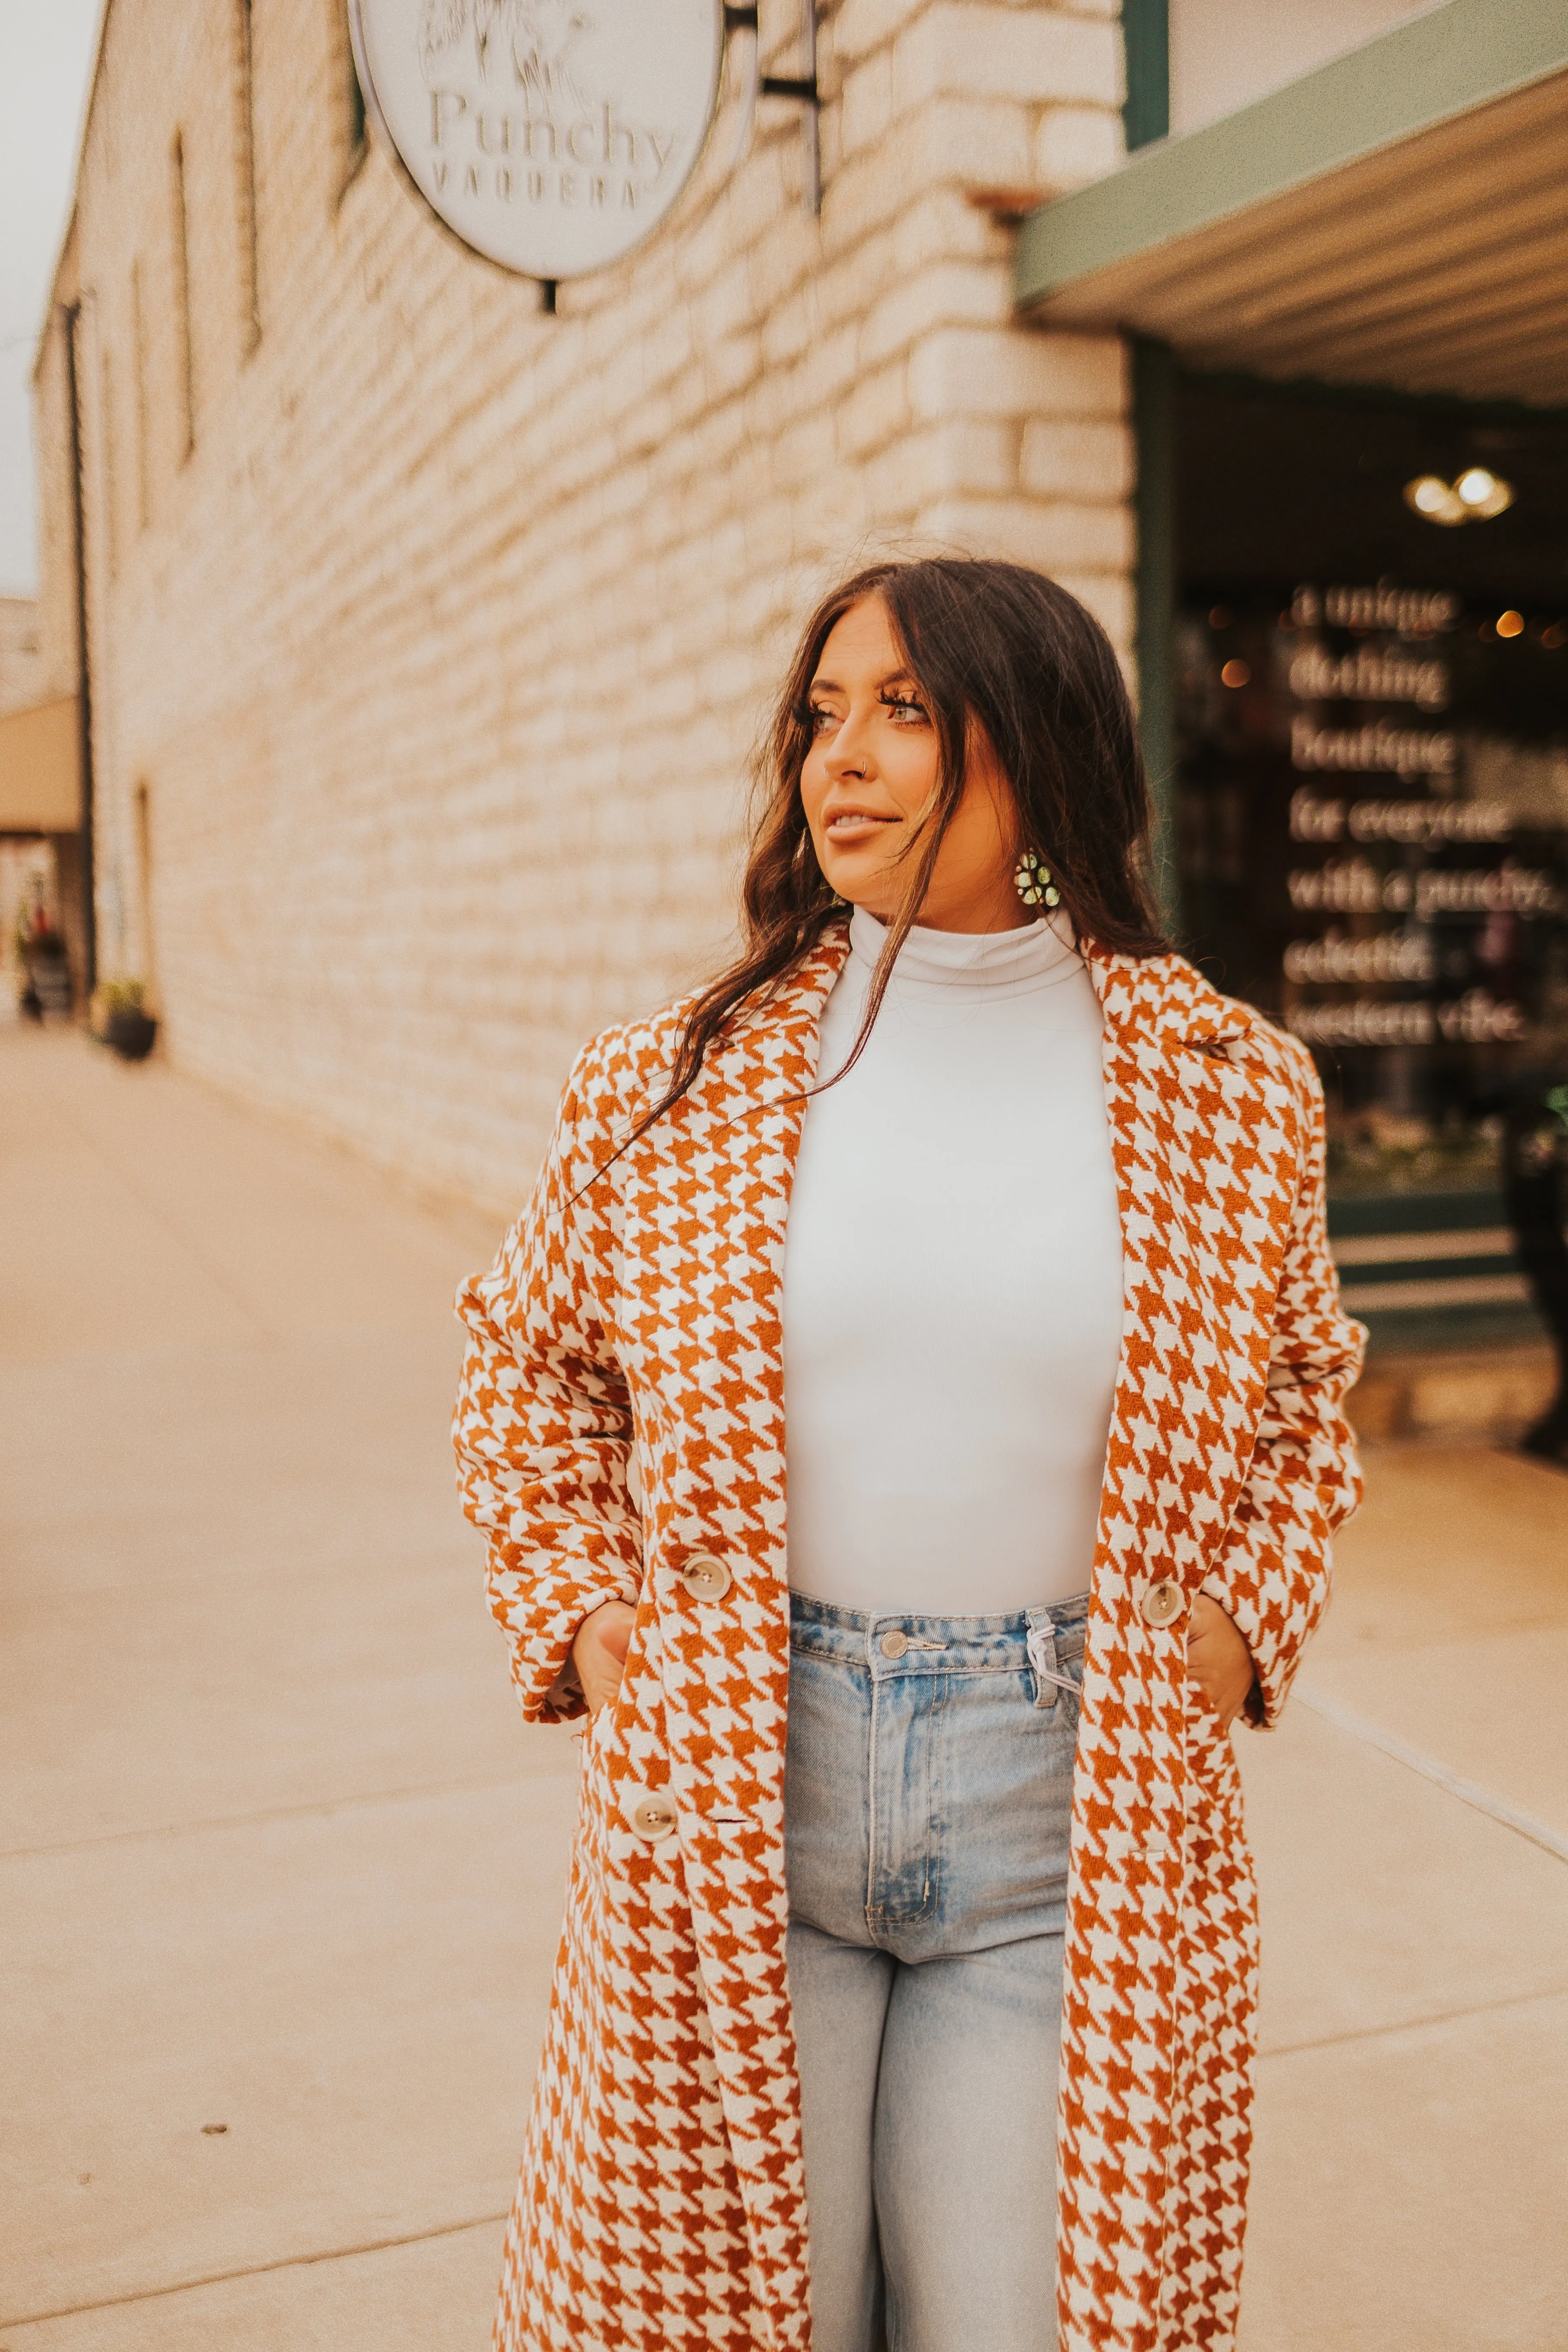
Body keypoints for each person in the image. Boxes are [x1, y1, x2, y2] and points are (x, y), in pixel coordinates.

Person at [454, 557, 1366, 2352]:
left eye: (902, 711)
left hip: (1067, 1807)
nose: (837, 759)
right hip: (739, 1783)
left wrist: (1241, 1624)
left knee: (1018, 2320)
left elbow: (1296, 1395)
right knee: (740, 2319)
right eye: (820, 714)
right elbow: (528, 1368)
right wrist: (584, 1619)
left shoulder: (1231, 1084)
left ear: (1037, 742)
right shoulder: (673, 1079)